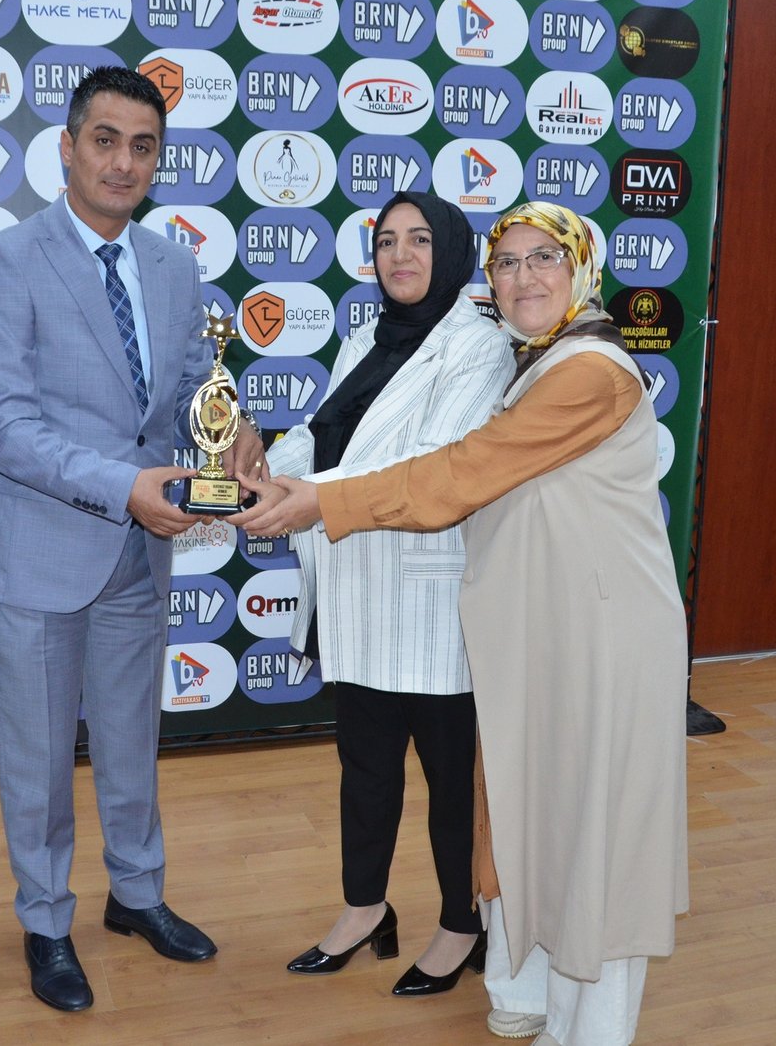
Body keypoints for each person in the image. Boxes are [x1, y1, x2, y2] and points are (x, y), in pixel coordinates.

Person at [232, 201, 689, 1046]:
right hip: (541, 632)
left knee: (595, 835)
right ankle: (531, 992)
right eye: (507, 262)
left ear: (581, 268)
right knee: (531, 817)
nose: (523, 276)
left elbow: (461, 470)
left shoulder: (589, 370)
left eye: (544, 258)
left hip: (605, 638)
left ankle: (590, 1030)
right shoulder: (538, 360)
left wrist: (321, 501)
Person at [0, 66, 264, 1014]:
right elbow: (1, 424)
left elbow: (185, 390)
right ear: (68, 147)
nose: (123, 161)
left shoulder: (172, 266)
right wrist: (123, 487)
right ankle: (46, 921)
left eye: (143, 146)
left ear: (158, 160)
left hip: (141, 550)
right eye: (105, 140)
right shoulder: (10, 260)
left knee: (133, 741)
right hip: (42, 554)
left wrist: (233, 431)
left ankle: (136, 893)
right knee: (40, 762)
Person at [268, 192, 512, 995]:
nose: (400, 255)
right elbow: (321, 432)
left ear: (452, 250)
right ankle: (365, 907)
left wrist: (309, 497)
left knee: (450, 782)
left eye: (419, 239)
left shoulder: (480, 346)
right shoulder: (362, 339)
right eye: (385, 241)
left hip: (431, 602)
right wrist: (262, 473)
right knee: (364, 767)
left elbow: (433, 463)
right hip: (356, 590)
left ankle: (461, 924)